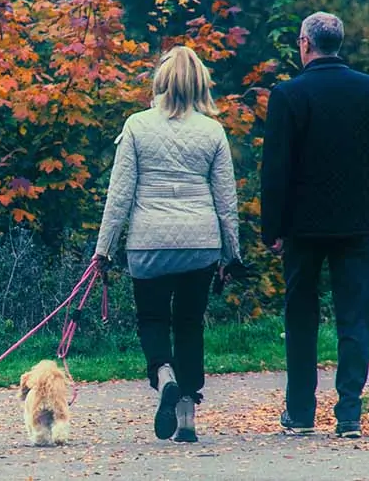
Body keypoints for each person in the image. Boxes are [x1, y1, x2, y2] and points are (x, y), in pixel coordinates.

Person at [261, 11, 369, 439]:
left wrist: (273, 227)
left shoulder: (288, 94)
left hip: (302, 226)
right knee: (353, 317)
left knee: (301, 317)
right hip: (356, 222)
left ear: (305, 44)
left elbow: (276, 169)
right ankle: (349, 414)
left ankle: (301, 412)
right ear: (338, 42)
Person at [94, 46, 241, 443]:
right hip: (200, 243)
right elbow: (226, 201)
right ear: (199, 83)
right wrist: (232, 254)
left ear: (160, 81)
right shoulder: (212, 131)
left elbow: (119, 196)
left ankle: (164, 375)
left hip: (149, 243)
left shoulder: (137, 126)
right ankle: (187, 419)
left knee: (153, 320)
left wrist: (104, 249)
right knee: (190, 324)